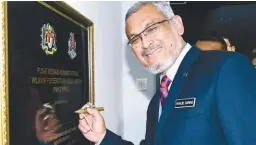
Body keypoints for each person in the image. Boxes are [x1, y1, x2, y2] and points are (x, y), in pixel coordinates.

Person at [78, 1, 256, 145]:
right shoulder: (156, 102)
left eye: (151, 28)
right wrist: (102, 136)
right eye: (135, 38)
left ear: (177, 25)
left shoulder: (226, 67)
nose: (145, 43)